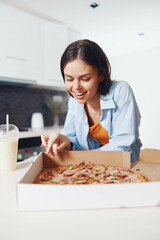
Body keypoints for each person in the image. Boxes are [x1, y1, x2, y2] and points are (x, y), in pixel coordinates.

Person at [41, 39, 142, 163]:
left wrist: (82, 157)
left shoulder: (121, 91)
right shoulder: (73, 102)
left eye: (85, 79)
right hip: (91, 171)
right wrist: (65, 142)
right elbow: (73, 141)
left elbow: (122, 146)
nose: (76, 87)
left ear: (101, 74)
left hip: (125, 168)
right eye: (69, 79)